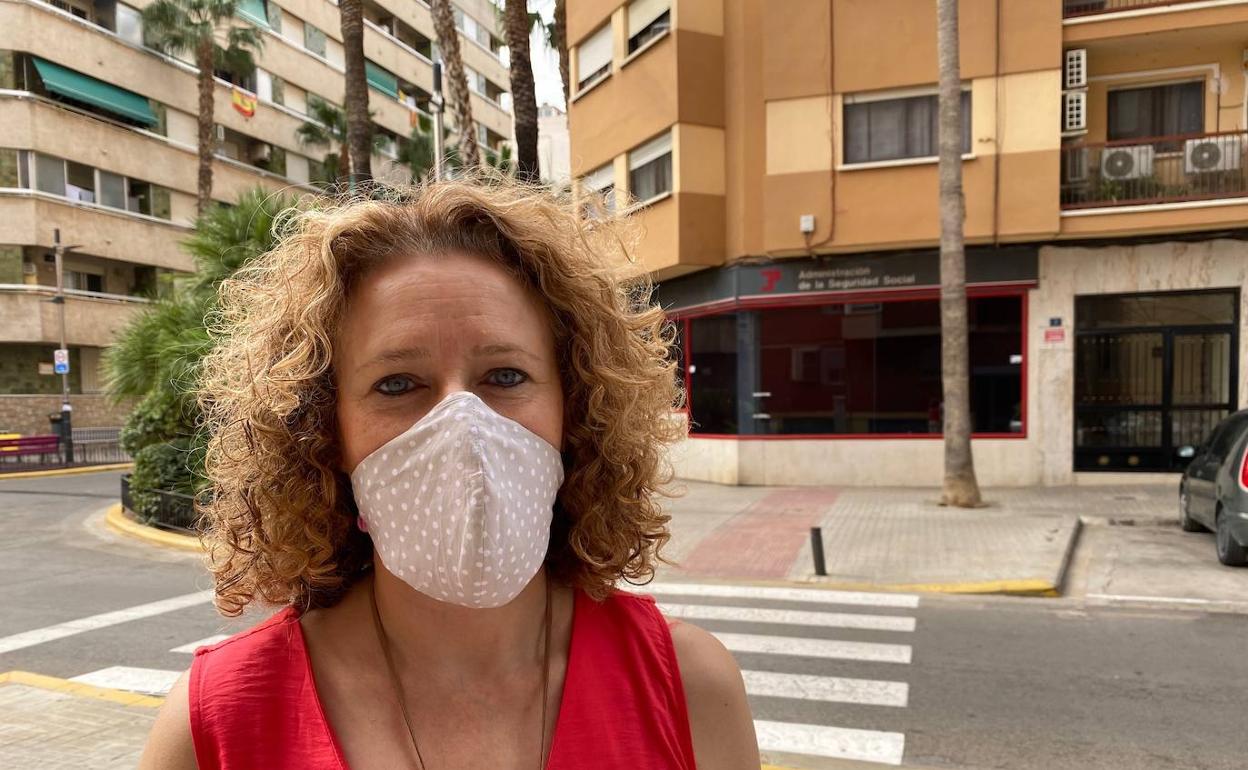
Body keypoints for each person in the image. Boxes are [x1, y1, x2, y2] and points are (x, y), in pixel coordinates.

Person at [138, 178, 758, 769]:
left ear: (573, 411)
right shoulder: (217, 719)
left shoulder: (691, 689)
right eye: (397, 384)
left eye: (505, 376)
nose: (463, 426)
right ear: (327, 434)